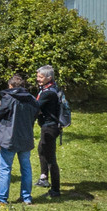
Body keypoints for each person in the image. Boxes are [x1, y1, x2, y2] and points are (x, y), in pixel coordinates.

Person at [0, 72, 39, 205]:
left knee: (5, 168)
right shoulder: (31, 99)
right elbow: (36, 114)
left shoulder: (9, 98)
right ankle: (26, 197)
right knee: (26, 168)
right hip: (26, 137)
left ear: (11, 86)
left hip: (9, 138)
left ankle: (1, 198)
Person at [34, 65, 65, 199]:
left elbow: (35, 106)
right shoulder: (50, 88)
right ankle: (43, 177)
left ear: (49, 78)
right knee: (41, 149)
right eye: (38, 76)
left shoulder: (49, 92)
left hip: (50, 127)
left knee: (51, 157)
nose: (38, 79)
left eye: (41, 77)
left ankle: (55, 189)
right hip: (49, 126)